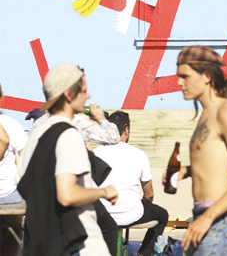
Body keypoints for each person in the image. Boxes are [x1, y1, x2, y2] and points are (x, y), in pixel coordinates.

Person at [16, 63, 118, 256]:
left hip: (45, 241)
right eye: (84, 91)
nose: (88, 96)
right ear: (69, 95)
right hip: (79, 243)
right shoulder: (70, 132)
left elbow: (23, 182)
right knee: (110, 229)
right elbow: (67, 195)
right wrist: (105, 192)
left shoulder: (36, 131)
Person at [167, 46, 227, 255]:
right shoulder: (207, 113)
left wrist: (208, 217)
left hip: (218, 220)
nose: (179, 82)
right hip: (205, 216)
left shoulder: (226, 112)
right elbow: (216, 162)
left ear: (206, 76)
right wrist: (186, 171)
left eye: (185, 76)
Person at [94, 111, 169, 256]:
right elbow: (149, 194)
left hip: (100, 216)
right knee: (162, 215)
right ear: (126, 130)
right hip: (131, 214)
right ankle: (144, 253)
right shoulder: (138, 154)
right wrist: (141, 204)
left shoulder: (95, 153)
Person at [0, 83, 28, 256]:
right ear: (2, 98)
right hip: (10, 193)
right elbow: (26, 158)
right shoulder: (11, 124)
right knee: (16, 228)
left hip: (9, 194)